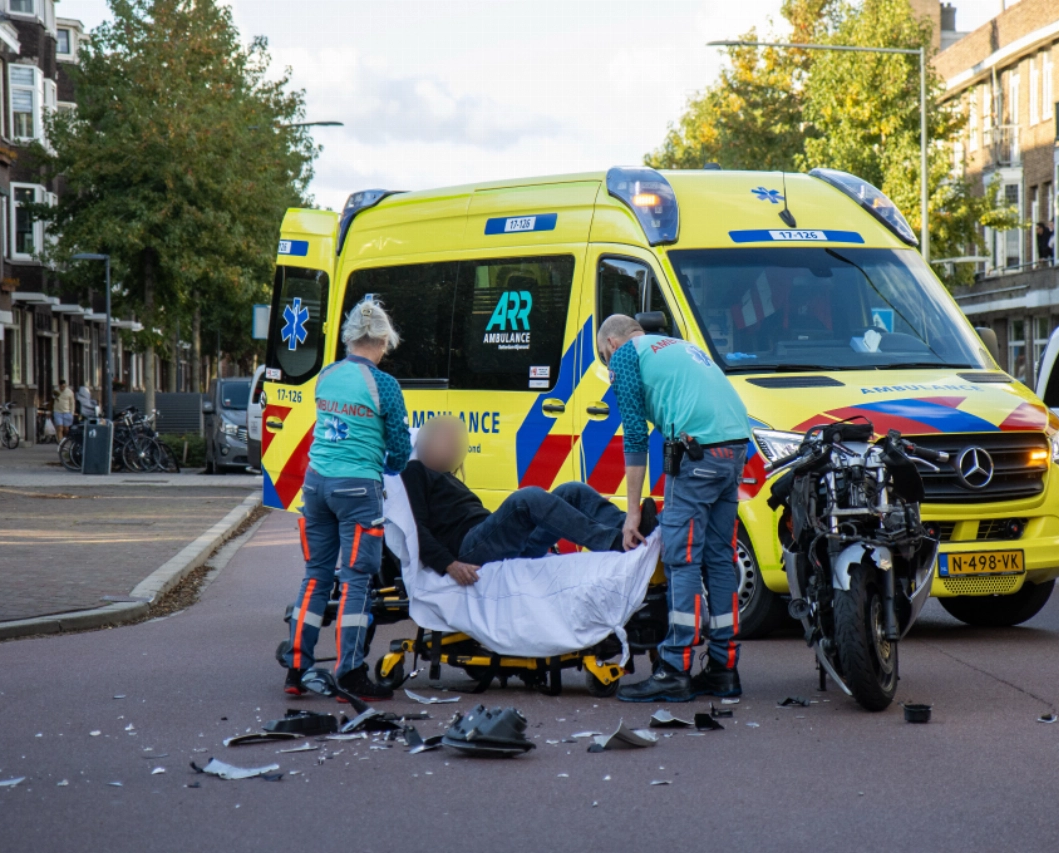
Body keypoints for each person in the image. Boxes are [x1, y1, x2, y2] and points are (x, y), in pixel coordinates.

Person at [597, 314, 751, 703]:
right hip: (735, 448)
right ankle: (724, 669)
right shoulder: (677, 346)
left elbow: (634, 436)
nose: (610, 369)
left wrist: (633, 511)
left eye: (605, 358)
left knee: (681, 559)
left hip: (698, 453)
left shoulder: (625, 357)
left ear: (612, 344)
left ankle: (674, 670)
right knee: (719, 559)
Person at [282, 297, 412, 701]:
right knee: (357, 580)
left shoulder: (326, 375)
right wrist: (388, 466)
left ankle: (297, 669)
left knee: (316, 574)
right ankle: (350, 674)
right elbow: (400, 449)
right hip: (357, 490)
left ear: (349, 337)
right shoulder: (385, 385)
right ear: (384, 341)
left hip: (315, 485)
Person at [401, 416, 656, 586]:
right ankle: (613, 543)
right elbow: (414, 529)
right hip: (470, 548)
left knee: (572, 490)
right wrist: (449, 564)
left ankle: (630, 530)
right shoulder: (414, 471)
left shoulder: (444, 474)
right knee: (527, 499)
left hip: (498, 541)